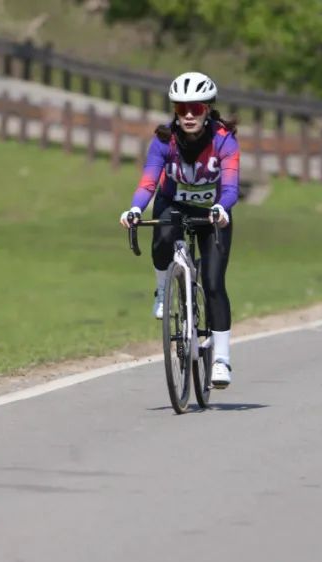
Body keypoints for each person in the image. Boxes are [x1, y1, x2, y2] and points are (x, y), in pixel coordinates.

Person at [118, 71, 240, 388]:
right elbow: (149, 181)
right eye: (181, 108)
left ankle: (222, 359)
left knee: (214, 283)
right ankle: (163, 289)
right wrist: (135, 208)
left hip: (213, 211)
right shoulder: (164, 140)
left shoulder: (224, 140)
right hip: (173, 203)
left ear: (207, 110)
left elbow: (231, 187)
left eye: (195, 109)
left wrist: (221, 208)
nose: (188, 115)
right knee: (161, 238)